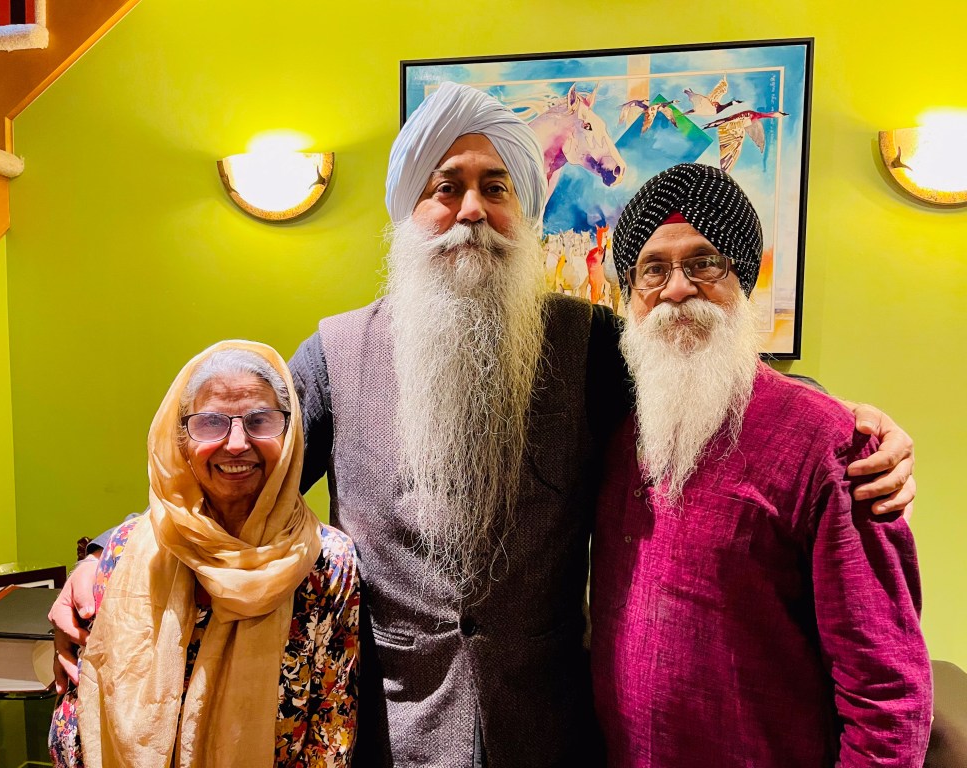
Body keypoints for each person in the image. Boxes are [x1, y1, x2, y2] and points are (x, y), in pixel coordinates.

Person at [51, 85, 917, 768]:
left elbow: (701, 375)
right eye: (447, 186)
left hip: (553, 736)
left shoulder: (585, 345)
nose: (472, 209)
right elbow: (235, 468)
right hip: (388, 734)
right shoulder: (338, 353)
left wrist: (846, 419)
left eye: (495, 187)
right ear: (409, 210)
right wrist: (109, 557)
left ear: (524, 209)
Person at [590, 163, 932, 767]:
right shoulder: (618, 428)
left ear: (743, 278)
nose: (676, 289)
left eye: (704, 263)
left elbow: (888, 697)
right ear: (631, 294)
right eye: (653, 269)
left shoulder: (831, 445)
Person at [48, 341, 359, 768]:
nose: (237, 443)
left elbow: (332, 726)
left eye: (260, 421)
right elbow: (77, 713)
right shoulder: (126, 549)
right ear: (180, 439)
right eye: (211, 422)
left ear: (290, 436)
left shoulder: (327, 563)